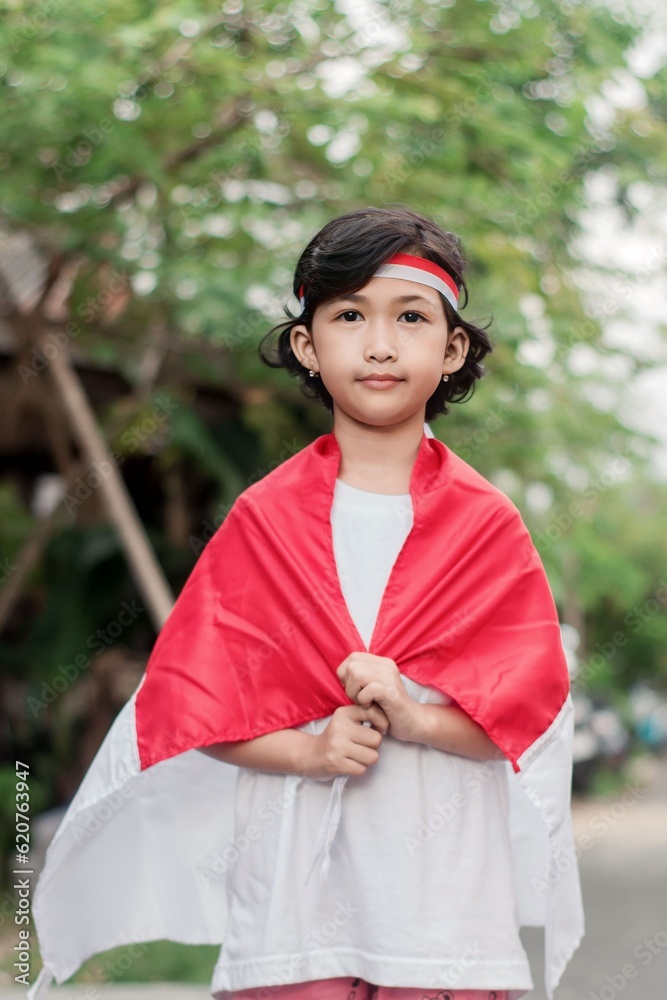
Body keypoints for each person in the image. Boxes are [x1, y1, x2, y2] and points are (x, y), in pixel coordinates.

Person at [28, 206, 583, 1000]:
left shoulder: (487, 527)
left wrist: (413, 716)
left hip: (444, 925)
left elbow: (523, 720)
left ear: (452, 348)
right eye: (349, 316)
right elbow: (197, 709)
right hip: (291, 925)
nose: (379, 344)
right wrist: (310, 753)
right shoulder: (263, 520)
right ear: (306, 345)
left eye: (410, 317)